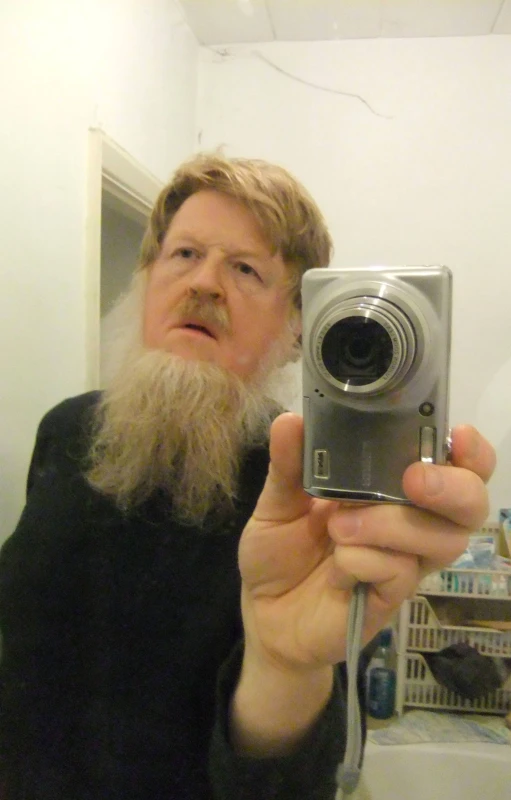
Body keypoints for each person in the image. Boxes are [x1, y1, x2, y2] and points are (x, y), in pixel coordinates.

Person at [0, 153, 495, 800]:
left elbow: (294, 779)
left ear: (296, 329)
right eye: (182, 254)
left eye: (244, 269)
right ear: (146, 279)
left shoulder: (302, 489)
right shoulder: (65, 431)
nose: (204, 282)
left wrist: (284, 668)